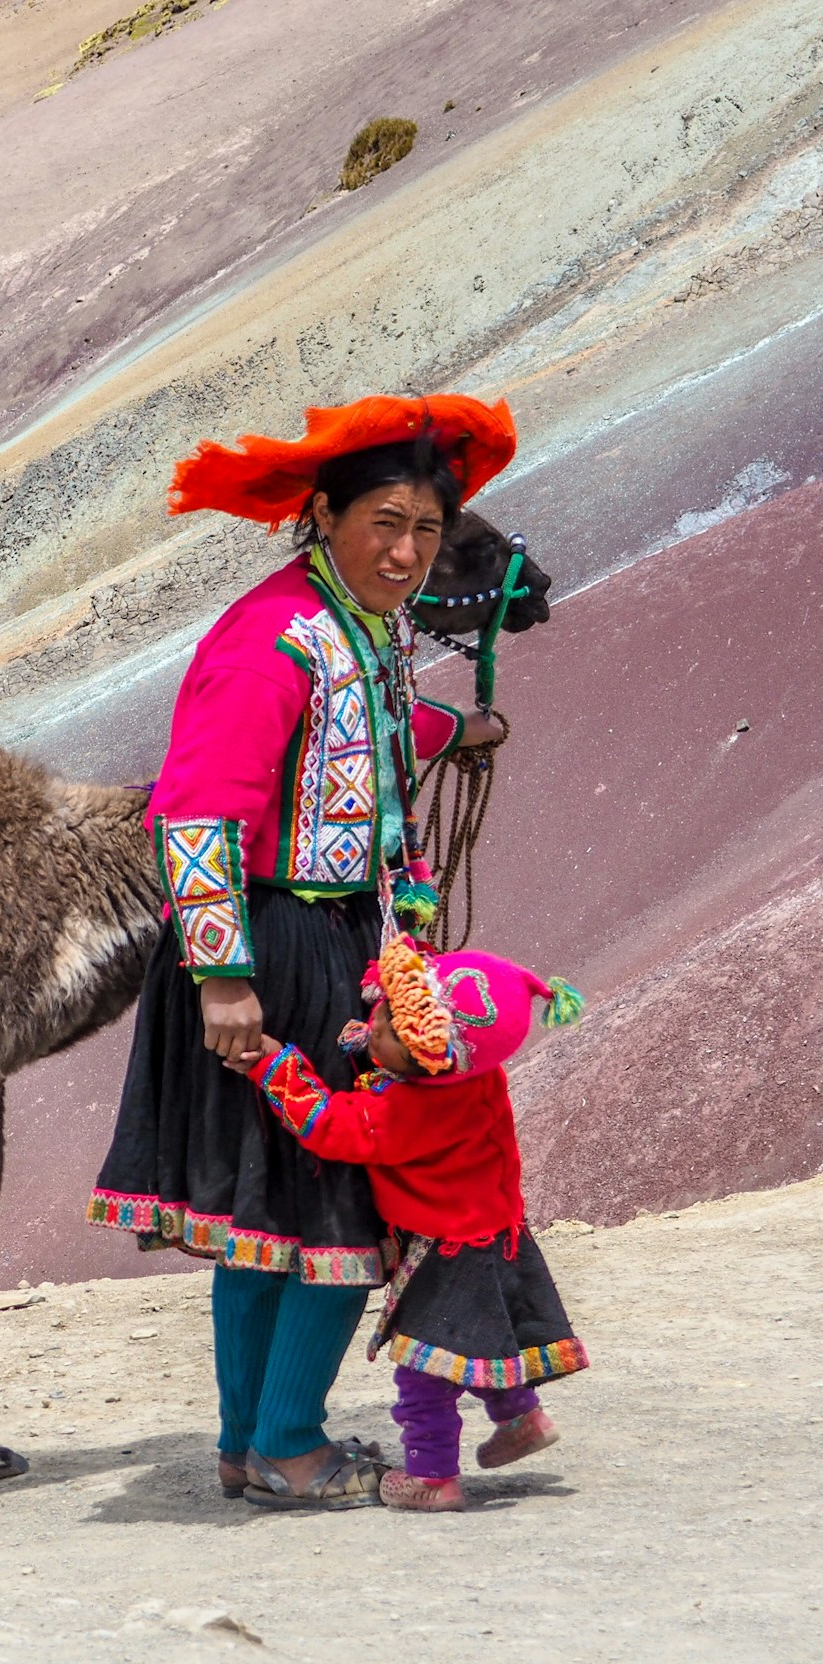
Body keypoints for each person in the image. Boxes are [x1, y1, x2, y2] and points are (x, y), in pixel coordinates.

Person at [88, 394, 517, 1509]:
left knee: (267, 1216)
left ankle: (248, 1442)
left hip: (330, 931)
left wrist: (452, 729)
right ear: (324, 512)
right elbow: (196, 811)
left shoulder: (354, 623)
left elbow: (358, 731)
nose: (407, 550)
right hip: (274, 944)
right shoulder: (272, 636)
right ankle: (290, 1442)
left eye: (425, 529)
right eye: (384, 521)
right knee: (344, 1204)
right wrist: (223, 975)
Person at [245, 934, 588, 1511]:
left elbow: (333, 1126)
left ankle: (433, 1479)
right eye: (386, 1013)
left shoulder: (414, 1107)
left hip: (444, 1255)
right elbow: (394, 1068)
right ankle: (521, 1418)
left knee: (425, 1371)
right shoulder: (474, 1077)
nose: (375, 1029)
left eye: (397, 1038)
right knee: (481, 1343)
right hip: (495, 1234)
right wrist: (379, 1051)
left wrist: (276, 1068)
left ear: (434, 1064)